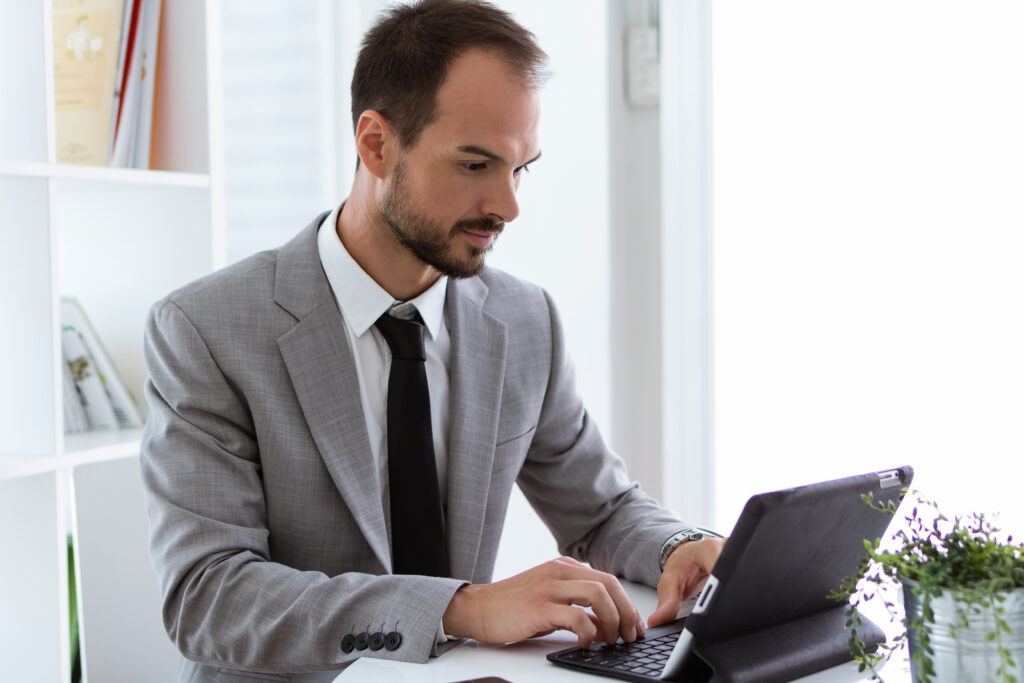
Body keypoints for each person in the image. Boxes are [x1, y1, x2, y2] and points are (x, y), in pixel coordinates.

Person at [140, 1, 725, 681]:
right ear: (376, 143)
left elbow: (601, 507)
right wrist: (461, 608)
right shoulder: (207, 330)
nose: (508, 206)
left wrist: (679, 545)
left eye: (520, 168)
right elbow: (208, 596)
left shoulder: (525, 320)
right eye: (476, 165)